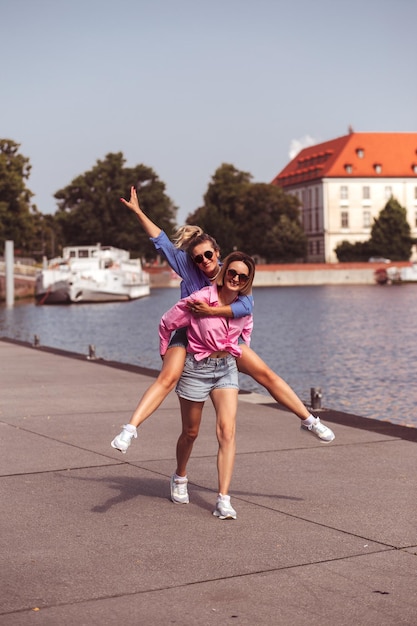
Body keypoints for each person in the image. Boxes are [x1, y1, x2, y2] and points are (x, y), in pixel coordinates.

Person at [111, 186, 335, 451]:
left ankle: (309, 420)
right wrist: (138, 211)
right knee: (168, 378)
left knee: (265, 374)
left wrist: (212, 312)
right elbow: (159, 239)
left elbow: (246, 306)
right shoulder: (187, 266)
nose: (203, 260)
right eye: (198, 258)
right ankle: (130, 429)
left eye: (208, 255)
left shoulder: (231, 274)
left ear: (217, 253)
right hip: (190, 332)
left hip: (225, 335)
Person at [157, 251, 255, 519]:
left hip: (226, 370)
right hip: (196, 368)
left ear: (247, 281)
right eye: (232, 272)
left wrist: (235, 351)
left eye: (242, 276)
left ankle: (223, 499)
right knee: (190, 432)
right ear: (224, 273)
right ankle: (180, 476)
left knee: (227, 431)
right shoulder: (199, 299)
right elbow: (167, 322)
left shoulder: (244, 306)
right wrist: (165, 352)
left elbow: (246, 333)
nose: (236, 278)